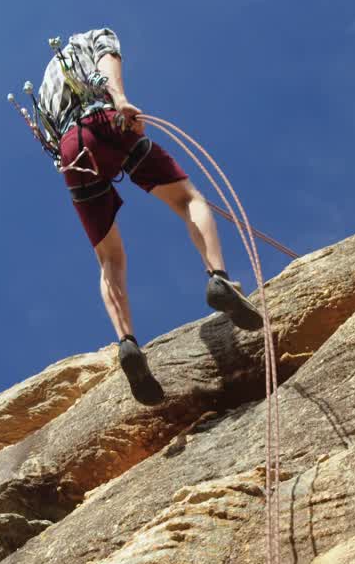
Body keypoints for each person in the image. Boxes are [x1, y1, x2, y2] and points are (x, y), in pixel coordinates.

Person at [36, 27, 261, 396]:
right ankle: (218, 277)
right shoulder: (95, 35)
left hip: (71, 150)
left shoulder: (47, 85)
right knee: (189, 199)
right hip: (105, 122)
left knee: (109, 256)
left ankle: (127, 341)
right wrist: (121, 99)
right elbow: (107, 61)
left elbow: (51, 133)